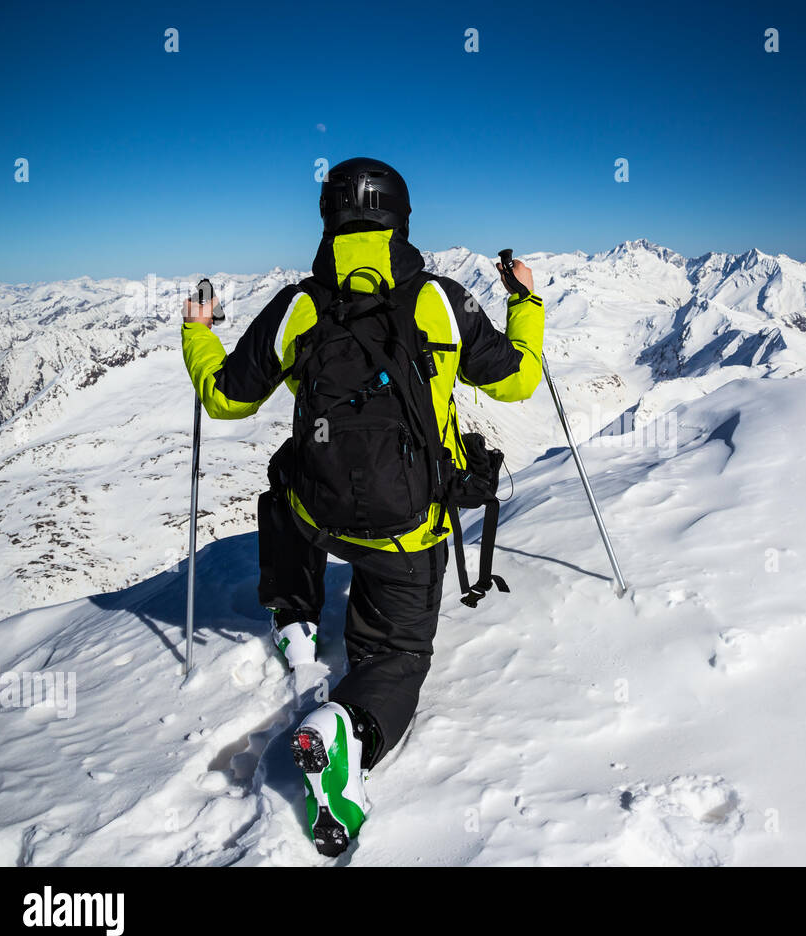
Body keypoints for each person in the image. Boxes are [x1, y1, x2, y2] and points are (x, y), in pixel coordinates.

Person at [180, 157, 543, 856]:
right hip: (408, 534)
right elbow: (521, 380)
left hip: (319, 519)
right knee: (398, 653)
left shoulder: (298, 306)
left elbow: (225, 398)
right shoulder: (440, 300)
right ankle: (350, 728)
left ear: (329, 221)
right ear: (401, 220)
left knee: (285, 476)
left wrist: (198, 331)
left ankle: (294, 615)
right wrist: (525, 303)